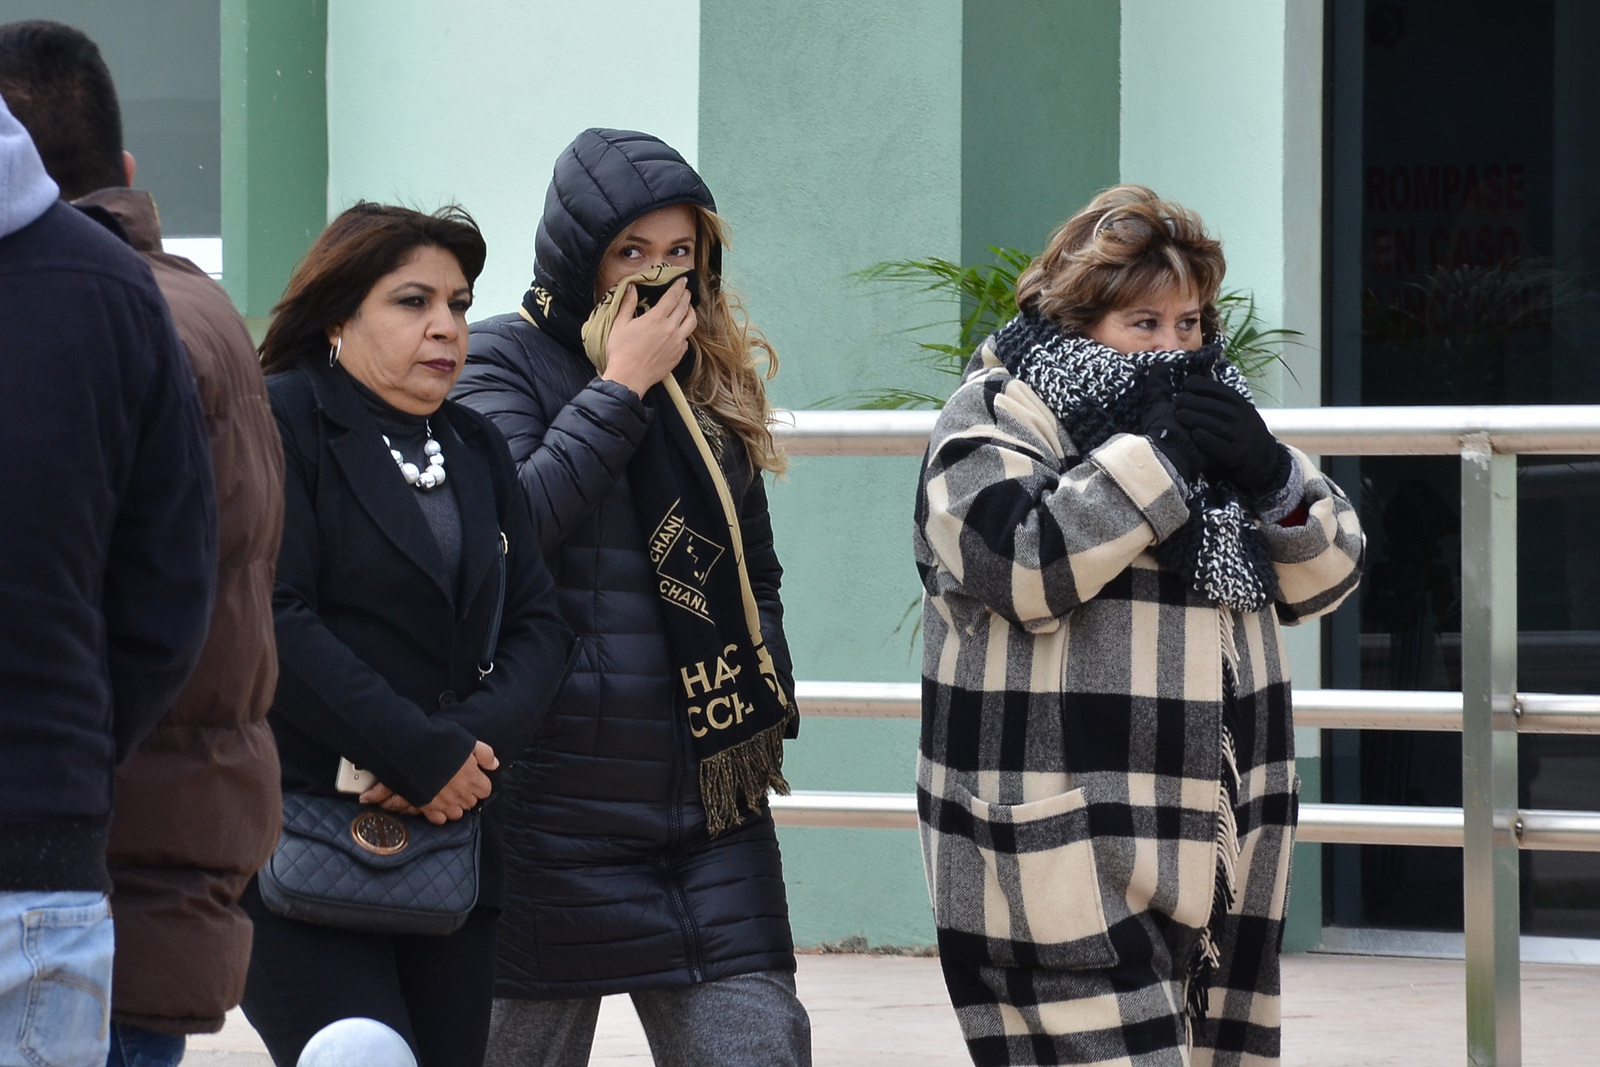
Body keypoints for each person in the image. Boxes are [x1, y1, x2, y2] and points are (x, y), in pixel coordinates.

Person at [913, 185, 1365, 1067]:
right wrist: (1158, 462)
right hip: (1058, 834)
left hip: (1219, 834)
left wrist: (1270, 475)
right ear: (1078, 317)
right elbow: (1019, 563)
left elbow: (1332, 572)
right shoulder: (997, 411)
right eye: (1144, 323)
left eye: (1188, 323)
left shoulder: (1213, 416)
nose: (1173, 347)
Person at [453, 128, 811, 1066]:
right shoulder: (498, 361)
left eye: (679, 252)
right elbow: (512, 534)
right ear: (580, 258)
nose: (657, 277)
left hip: (705, 809)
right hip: (545, 816)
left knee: (757, 1047)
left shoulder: (708, 378)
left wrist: (761, 685)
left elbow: (755, 570)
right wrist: (620, 385)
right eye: (630, 252)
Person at [0, 21, 286, 1065]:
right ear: (122, 167)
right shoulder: (141, 299)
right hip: (89, 832)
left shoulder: (140, 305)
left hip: (124, 844)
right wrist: (73, 730)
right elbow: (170, 600)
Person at [238, 203, 571, 1067]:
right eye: (413, 302)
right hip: (298, 826)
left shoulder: (475, 444)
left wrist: (461, 752)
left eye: (459, 305)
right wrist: (417, 753)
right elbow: (272, 617)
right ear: (338, 316)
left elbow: (540, 626)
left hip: (450, 839)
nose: (446, 327)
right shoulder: (280, 419)